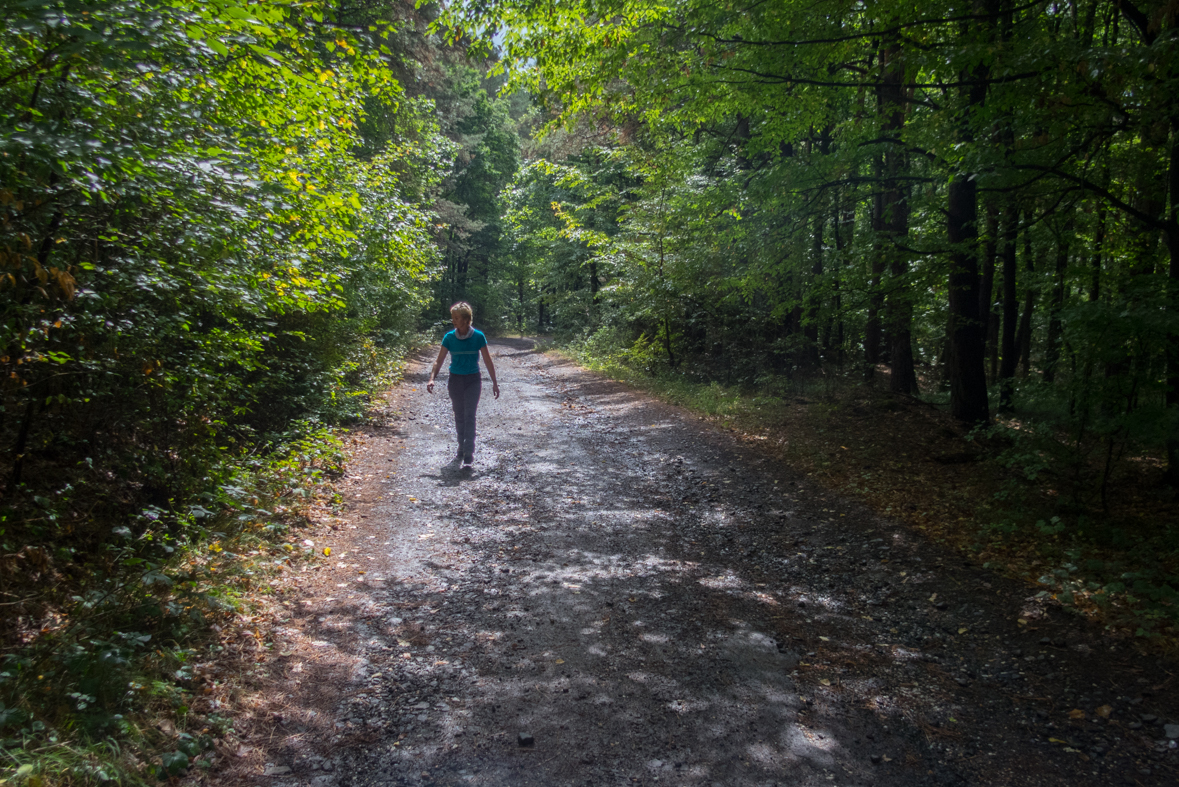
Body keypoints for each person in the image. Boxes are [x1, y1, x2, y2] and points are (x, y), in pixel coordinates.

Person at [426, 301, 499, 466]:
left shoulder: (478, 337)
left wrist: (495, 382)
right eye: (453, 318)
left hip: (473, 380)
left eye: (457, 318)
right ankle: (461, 446)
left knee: (469, 414)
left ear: (466, 320)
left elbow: (488, 361)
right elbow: (439, 361)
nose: (453, 321)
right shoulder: (449, 338)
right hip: (455, 380)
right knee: (459, 414)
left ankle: (469, 451)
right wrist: (432, 378)